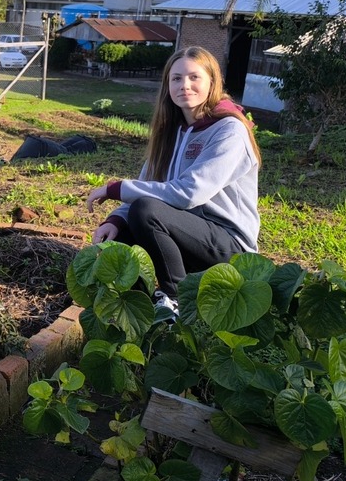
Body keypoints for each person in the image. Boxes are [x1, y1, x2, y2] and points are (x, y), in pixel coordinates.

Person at [86, 45, 261, 310]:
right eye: (176, 78)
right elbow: (149, 183)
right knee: (121, 239)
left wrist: (115, 188)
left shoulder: (229, 130)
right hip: (187, 233)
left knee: (146, 210)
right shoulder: (173, 131)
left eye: (194, 77)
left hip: (229, 246)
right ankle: (140, 306)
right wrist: (117, 220)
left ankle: (177, 299)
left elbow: (190, 193)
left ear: (212, 82)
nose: (185, 85)